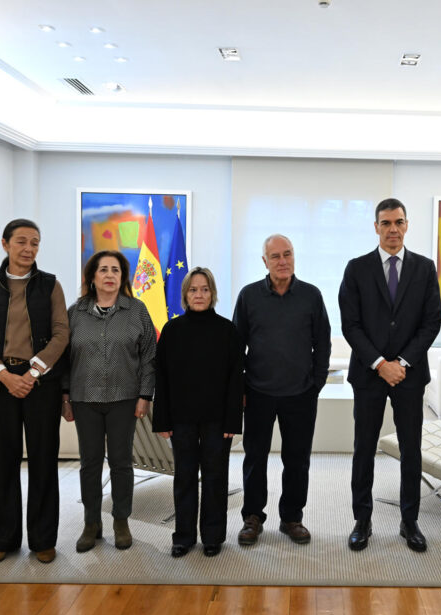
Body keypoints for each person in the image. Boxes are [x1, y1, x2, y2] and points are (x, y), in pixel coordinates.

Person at [338, 198, 441, 552]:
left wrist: (403, 363)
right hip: (369, 374)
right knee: (364, 448)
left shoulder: (425, 268)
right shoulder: (356, 268)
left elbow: (431, 323)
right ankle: (362, 520)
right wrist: (381, 363)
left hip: (409, 376)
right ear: (376, 227)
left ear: (407, 225)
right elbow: (350, 324)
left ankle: (409, 521)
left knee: (411, 449)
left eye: (398, 222)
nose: (393, 229)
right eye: (386, 223)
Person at [0, 218, 69, 566]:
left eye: (35, 243)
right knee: (4, 462)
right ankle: (3, 540)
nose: (29, 249)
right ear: (5, 244)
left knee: (43, 461)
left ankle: (43, 540)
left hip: (41, 383)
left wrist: (32, 372)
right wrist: (4, 376)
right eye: (22, 241)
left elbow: (61, 334)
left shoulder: (50, 285)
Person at [233, 235, 330, 547]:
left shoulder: (311, 295)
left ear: (294, 256)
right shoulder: (249, 296)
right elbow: (236, 346)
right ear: (265, 261)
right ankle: (252, 517)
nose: (282, 261)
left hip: (300, 393)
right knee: (255, 458)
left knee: (297, 459)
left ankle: (291, 518)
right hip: (258, 392)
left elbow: (323, 342)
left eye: (287, 254)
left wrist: (316, 383)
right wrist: (240, 387)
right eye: (275, 256)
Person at [61, 250, 156, 553]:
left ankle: (121, 521)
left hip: (124, 398)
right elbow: (64, 358)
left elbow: (149, 356)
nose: (110, 275)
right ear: (92, 276)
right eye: (103, 270)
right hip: (84, 398)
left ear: (122, 277)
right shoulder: (75, 313)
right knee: (89, 463)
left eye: (115, 270)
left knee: (121, 462)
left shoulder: (137, 311)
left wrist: (145, 395)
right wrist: (65, 396)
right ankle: (91, 523)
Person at [152, 267, 243, 558]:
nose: (199, 294)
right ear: (185, 295)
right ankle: (184, 536)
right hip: (181, 418)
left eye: (205, 289)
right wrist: (162, 419)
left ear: (212, 293)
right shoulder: (172, 330)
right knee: (185, 477)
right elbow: (161, 378)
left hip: (218, 419)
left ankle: (213, 536)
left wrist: (233, 420)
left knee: (215, 477)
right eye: (193, 290)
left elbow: (236, 379)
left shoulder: (228, 330)